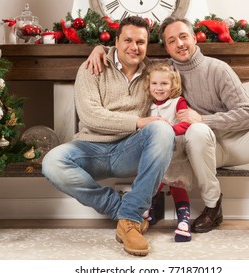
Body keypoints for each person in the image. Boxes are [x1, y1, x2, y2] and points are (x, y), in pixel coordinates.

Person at [85, 16, 249, 239]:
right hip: (199, 145)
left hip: (235, 142)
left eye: (183, 37)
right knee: (198, 131)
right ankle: (213, 206)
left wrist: (203, 119)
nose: (179, 44)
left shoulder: (218, 69)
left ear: (194, 38)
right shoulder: (161, 69)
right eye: (171, 41)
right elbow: (130, 52)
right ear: (166, 47)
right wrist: (100, 49)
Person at [42, 16, 175, 257]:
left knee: (163, 130)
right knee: (52, 161)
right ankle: (126, 212)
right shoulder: (92, 67)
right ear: (115, 41)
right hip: (90, 148)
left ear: (147, 45)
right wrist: (136, 121)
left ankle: (130, 217)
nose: (134, 47)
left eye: (141, 42)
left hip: (129, 150)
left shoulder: (153, 74)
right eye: (128, 40)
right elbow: (91, 116)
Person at [143, 62, 193, 242]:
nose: (159, 88)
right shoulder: (147, 105)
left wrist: (169, 130)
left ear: (172, 85)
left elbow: (187, 123)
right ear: (149, 85)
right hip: (155, 155)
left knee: (176, 185)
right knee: (153, 182)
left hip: (175, 153)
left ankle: (184, 221)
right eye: (154, 83)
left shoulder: (177, 102)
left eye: (164, 84)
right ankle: (145, 210)